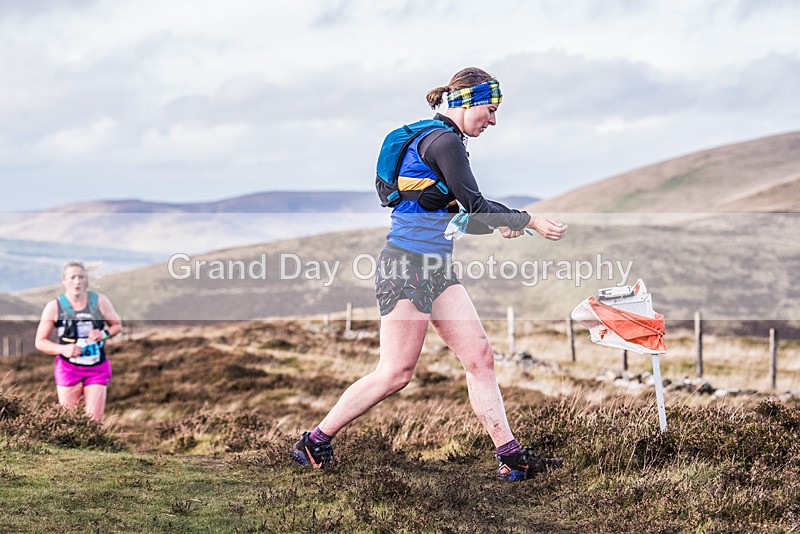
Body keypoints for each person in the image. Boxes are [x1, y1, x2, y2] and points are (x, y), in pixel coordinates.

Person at [291, 67, 568, 481]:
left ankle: (511, 458)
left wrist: (501, 223)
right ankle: (313, 442)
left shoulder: (438, 140)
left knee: (480, 358)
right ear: (467, 102)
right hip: (405, 268)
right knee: (396, 372)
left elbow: (449, 213)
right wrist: (528, 220)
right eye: (490, 110)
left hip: (435, 269)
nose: (493, 120)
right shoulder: (444, 142)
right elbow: (473, 204)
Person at [34, 261, 123, 423]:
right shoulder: (54, 307)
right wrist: (63, 349)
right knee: (68, 421)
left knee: (94, 421)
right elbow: (40, 342)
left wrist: (103, 334)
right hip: (68, 369)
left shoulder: (99, 301)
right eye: (72, 277)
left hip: (96, 367)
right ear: (64, 280)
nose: (77, 281)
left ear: (87, 280)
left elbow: (117, 326)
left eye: (81, 277)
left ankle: (94, 446)